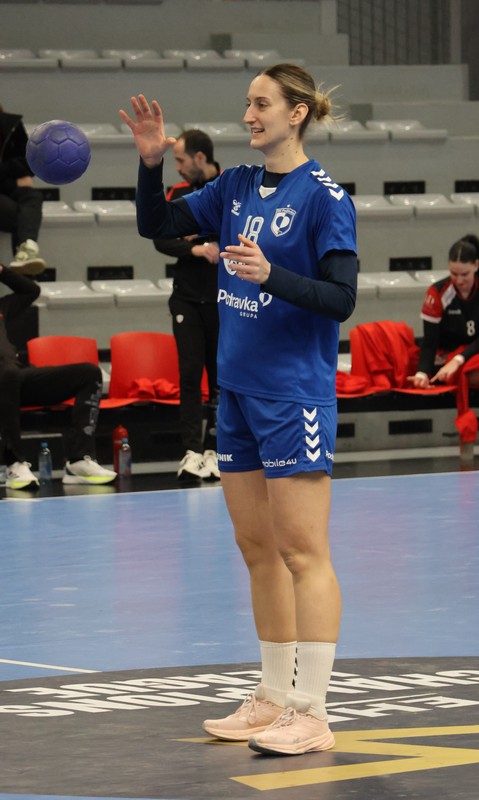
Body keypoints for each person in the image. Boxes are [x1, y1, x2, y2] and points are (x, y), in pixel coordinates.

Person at [120, 63, 357, 755]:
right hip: (239, 393)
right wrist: (150, 163)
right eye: (247, 103)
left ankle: (312, 711)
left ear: (297, 113)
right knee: (257, 549)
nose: (249, 115)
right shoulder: (235, 185)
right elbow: (156, 224)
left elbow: (341, 299)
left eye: (261, 103)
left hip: (293, 394)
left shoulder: (326, 199)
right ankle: (274, 696)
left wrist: (271, 275)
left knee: (303, 552)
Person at [0, 263, 117, 489]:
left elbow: (31, 290)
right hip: (5, 379)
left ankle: (78, 461)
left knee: (89, 373)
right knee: (9, 373)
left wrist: (3, 271)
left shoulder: (3, 307)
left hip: (16, 379)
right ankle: (14, 463)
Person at [408, 233, 479, 459]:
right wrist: (422, 373)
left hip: (478, 353)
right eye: (453, 273)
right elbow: (429, 343)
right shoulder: (437, 293)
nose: (459, 280)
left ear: (476, 266)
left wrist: (460, 359)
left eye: (465, 274)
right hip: (446, 361)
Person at [153, 129, 221, 482]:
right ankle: (192, 451)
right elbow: (161, 238)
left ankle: (216, 449)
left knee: (221, 377)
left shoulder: (228, 189)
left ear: (200, 157)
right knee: (190, 375)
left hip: (223, 300)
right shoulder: (178, 192)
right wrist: (195, 247)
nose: (177, 167)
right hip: (187, 299)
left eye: (181, 160)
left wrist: (205, 233)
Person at [0, 104, 46, 275]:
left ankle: (26, 249)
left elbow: (30, 162)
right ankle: (24, 257)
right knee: (21, 216)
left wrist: (6, 172)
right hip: (9, 187)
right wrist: (14, 181)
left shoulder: (10, 125)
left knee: (33, 196)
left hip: (8, 189)